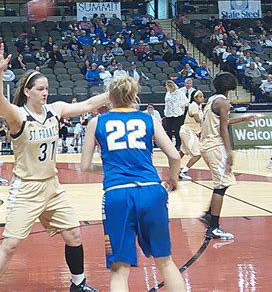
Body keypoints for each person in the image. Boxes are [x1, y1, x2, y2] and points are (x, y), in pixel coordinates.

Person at [0, 43, 106, 292]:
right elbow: (0, 100)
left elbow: (89, 105)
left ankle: (78, 284)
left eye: (47, 88)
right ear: (28, 92)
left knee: (74, 235)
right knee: (11, 244)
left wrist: (117, 92)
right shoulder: (18, 116)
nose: (45, 92)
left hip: (52, 186)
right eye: (40, 89)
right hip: (26, 188)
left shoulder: (54, 110)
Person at [80, 76, 185, 292]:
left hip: (117, 193)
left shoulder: (96, 122)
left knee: (120, 269)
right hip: (151, 190)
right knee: (165, 261)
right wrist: (173, 179)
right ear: (134, 96)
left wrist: (109, 167)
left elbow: (85, 166)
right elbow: (175, 156)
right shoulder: (149, 119)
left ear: (109, 97)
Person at [199, 73, 256, 240]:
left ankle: (209, 214)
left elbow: (220, 122)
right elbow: (223, 129)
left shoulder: (213, 100)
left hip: (208, 144)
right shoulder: (223, 102)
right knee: (221, 185)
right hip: (214, 146)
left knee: (223, 183)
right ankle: (213, 227)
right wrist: (230, 152)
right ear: (231, 86)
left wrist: (243, 119)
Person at [178, 91, 204, 180]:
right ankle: (183, 171)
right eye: (200, 96)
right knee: (197, 155)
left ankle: (172, 167)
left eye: (203, 96)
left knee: (183, 151)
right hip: (189, 132)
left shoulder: (198, 106)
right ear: (195, 98)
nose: (202, 98)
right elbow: (197, 119)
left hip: (186, 131)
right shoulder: (193, 106)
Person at [164, 80, 189, 150]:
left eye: (167, 86)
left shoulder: (179, 93)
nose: (166, 87)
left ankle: (178, 145)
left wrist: (180, 107)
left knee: (177, 130)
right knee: (168, 130)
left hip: (178, 114)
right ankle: (169, 145)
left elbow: (186, 101)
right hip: (168, 114)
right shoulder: (167, 93)